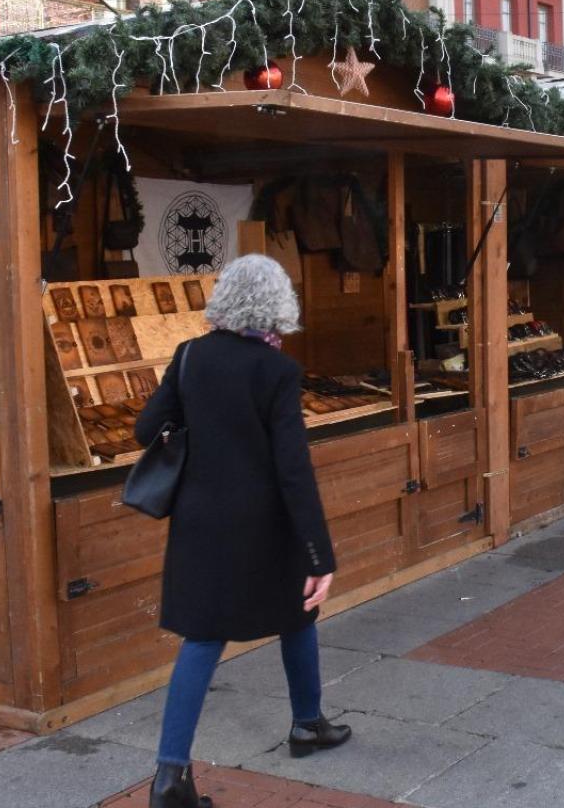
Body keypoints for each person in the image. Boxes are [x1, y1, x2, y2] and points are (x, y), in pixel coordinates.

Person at [135, 255, 350, 808]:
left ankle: (170, 777)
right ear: (280, 307)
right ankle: (307, 723)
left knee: (203, 638)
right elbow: (292, 470)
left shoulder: (189, 357)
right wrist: (318, 552)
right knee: (298, 613)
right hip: (266, 524)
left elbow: (145, 429)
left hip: (201, 522)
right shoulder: (278, 372)